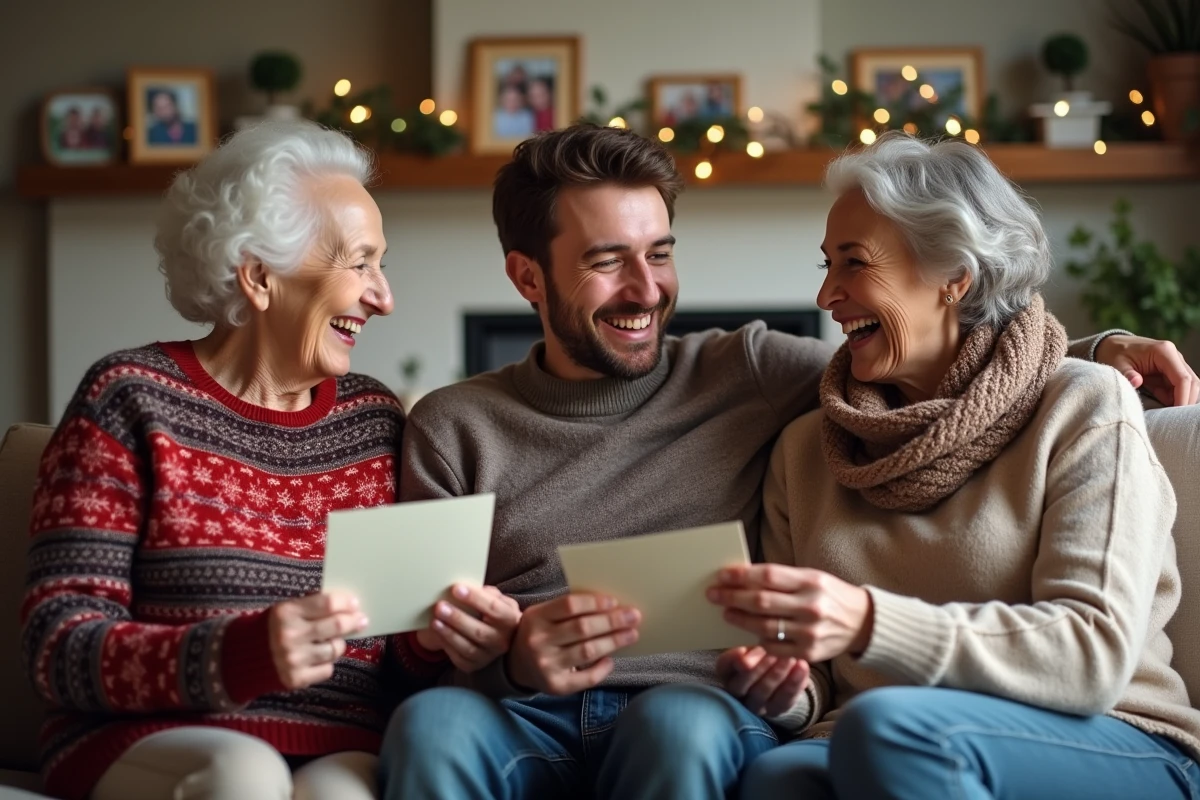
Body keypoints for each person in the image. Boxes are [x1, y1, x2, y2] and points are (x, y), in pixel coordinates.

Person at [377, 123, 1197, 800]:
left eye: (659, 253)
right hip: (526, 708)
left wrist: (1098, 353)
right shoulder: (456, 425)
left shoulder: (755, 371)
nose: (645, 288)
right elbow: (412, 644)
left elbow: (977, 372)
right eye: (605, 262)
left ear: (954, 276)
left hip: (697, 701)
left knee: (686, 726)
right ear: (527, 277)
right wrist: (510, 655)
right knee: (431, 724)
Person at [20, 120, 519, 800]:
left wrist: (432, 640)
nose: (384, 296)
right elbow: (58, 645)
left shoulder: (373, 422)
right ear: (258, 276)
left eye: (383, 263)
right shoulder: (130, 400)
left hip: (335, 741)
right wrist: (239, 653)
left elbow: (390, 655)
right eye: (361, 263)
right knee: (242, 776)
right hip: (150, 737)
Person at [708, 132, 1200, 798]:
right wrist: (784, 686)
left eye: (853, 264)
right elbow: (818, 675)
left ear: (953, 278)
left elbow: (1093, 652)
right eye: (826, 265)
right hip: (870, 731)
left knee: (892, 727)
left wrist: (868, 621)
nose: (827, 296)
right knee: (776, 776)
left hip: (1108, 733)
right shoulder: (806, 450)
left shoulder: (1083, 405)